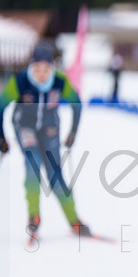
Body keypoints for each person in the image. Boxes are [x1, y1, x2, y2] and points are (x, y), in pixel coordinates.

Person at [0, 43, 91, 238]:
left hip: (50, 129)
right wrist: (2, 137)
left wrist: (73, 132)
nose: (41, 74)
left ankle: (74, 220)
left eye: (46, 69)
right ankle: (33, 217)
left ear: (52, 67)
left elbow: (76, 104)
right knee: (33, 164)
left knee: (55, 175)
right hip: (25, 127)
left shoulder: (60, 82)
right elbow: (1, 106)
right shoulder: (20, 82)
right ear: (31, 67)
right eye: (37, 69)